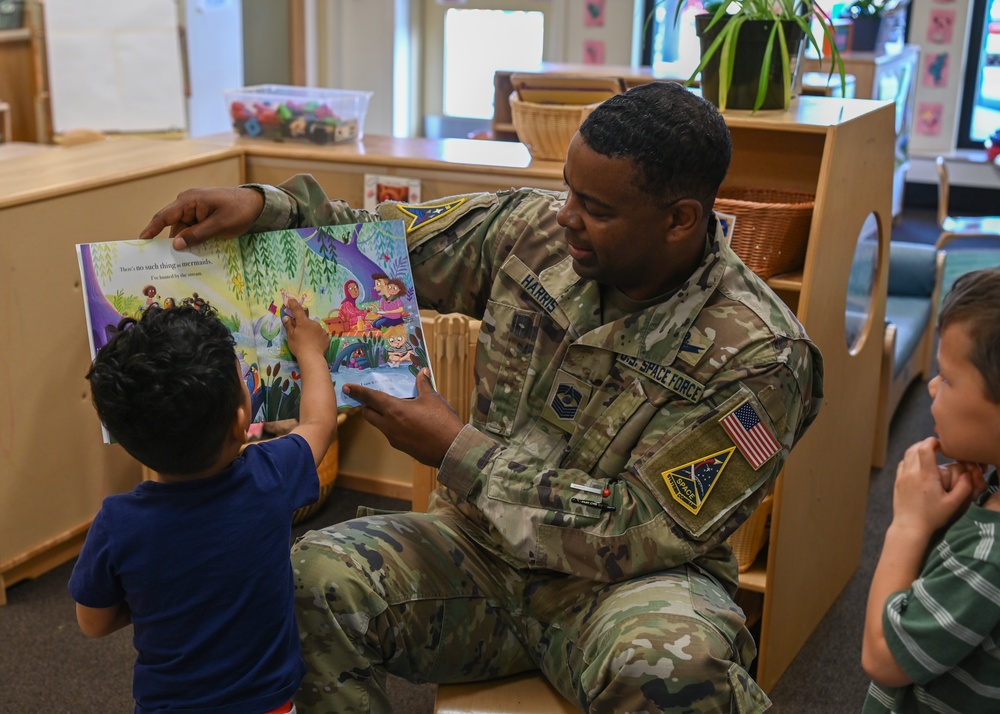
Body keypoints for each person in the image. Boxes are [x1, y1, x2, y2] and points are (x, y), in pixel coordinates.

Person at [140, 81, 823, 714]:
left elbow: (642, 528)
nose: (567, 217)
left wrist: (456, 448)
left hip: (626, 591)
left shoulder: (760, 356)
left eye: (598, 208)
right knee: (308, 576)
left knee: (676, 671)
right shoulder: (531, 232)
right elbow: (378, 247)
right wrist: (266, 207)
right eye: (568, 191)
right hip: (478, 552)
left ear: (680, 220)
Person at [69, 299, 337, 714]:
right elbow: (319, 423)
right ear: (239, 420)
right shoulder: (270, 477)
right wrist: (310, 352)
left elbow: (94, 622)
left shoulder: (117, 524)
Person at [861, 267, 1000, 713]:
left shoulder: (988, 556)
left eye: (948, 378)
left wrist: (908, 524)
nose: (933, 387)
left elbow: (883, 656)